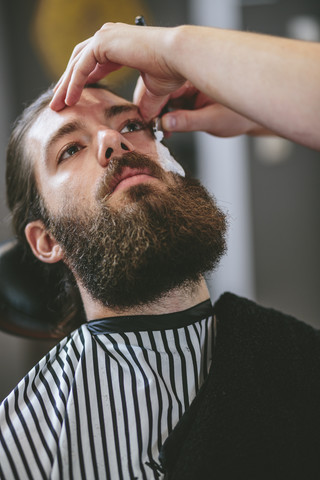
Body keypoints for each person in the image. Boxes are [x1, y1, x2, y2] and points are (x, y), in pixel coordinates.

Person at [1, 22, 320, 480]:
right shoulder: (22, 446)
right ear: (46, 241)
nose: (114, 141)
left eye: (131, 124)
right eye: (70, 148)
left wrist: (179, 50)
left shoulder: (299, 366)